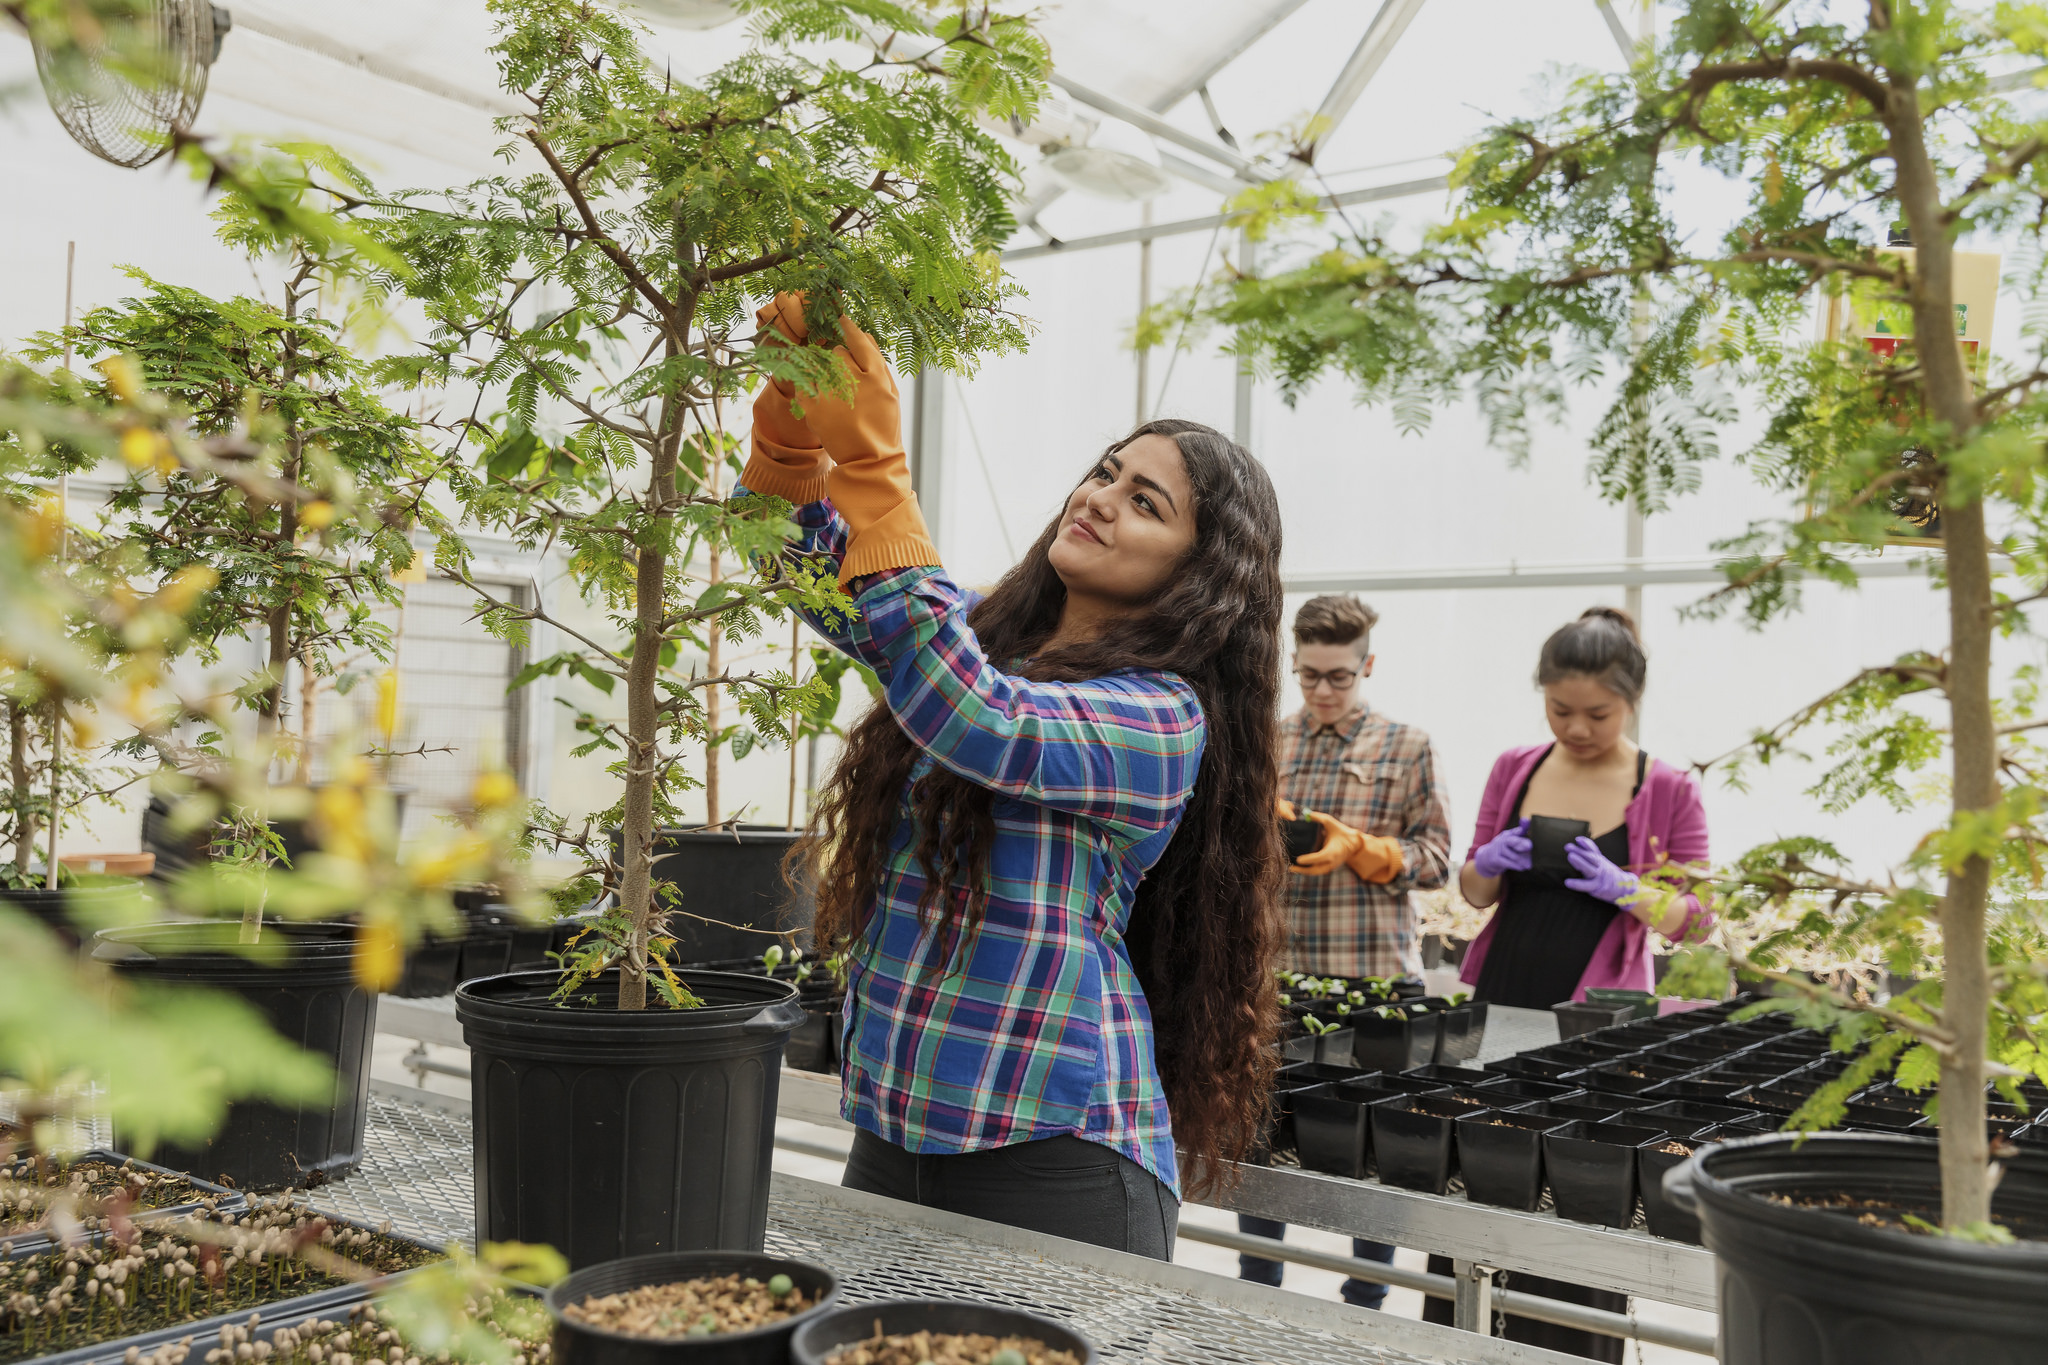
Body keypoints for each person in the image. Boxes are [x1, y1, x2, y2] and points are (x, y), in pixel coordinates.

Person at [736, 294, 1287, 1259]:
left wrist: (872, 467)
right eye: (1105, 473)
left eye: (1145, 502)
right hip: (897, 1127)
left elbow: (978, 718)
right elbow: (819, 573)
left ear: (1199, 575)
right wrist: (789, 449)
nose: (1100, 497)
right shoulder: (990, 632)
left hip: (1055, 1157)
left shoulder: (1162, 717)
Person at [1430, 606, 1709, 1360]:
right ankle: (1455, 1336)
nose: (1577, 729)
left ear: (1632, 701)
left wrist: (1626, 887)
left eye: (1599, 713)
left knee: (1578, 1175)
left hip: (1597, 1016)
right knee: (1481, 1159)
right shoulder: (1517, 765)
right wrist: (1492, 859)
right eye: (1560, 710)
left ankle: (1568, 1345)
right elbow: (1476, 892)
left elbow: (1696, 918)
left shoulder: (1669, 787)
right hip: (1505, 990)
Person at [1237, 594, 1451, 1309]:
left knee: (1374, 1148)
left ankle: (1368, 1296)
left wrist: (1367, 850)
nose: (1323, 691)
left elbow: (1438, 860)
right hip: (1279, 975)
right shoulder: (1268, 742)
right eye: (1308, 676)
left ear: (1368, 665)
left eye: (1339, 676)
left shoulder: (1407, 745)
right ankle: (1259, 1281)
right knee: (1261, 1137)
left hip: (1376, 980)